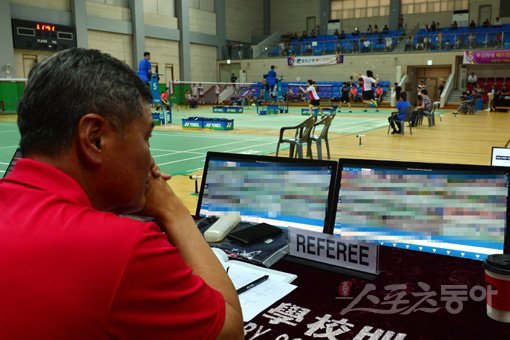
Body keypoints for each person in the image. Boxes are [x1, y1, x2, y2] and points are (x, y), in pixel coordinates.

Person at [0, 48, 243, 338]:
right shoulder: (124, 247)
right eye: (146, 137)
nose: (150, 158)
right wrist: (173, 210)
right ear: (95, 138)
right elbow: (230, 329)